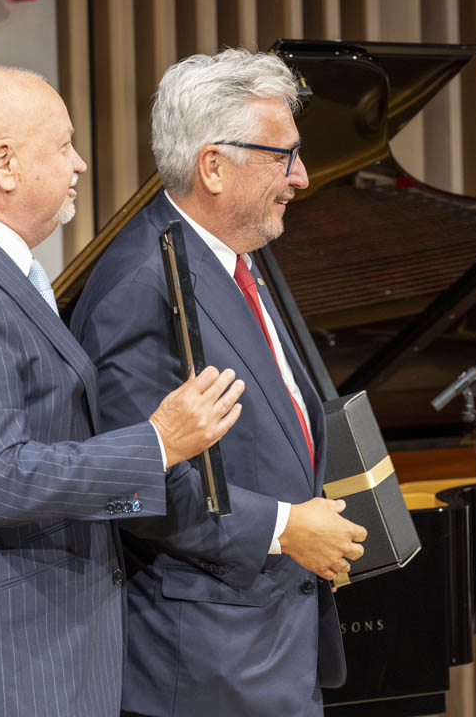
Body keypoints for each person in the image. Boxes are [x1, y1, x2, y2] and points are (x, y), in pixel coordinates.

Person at [0, 66, 245, 717]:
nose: (80, 163)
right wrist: (158, 444)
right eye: (63, 145)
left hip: (23, 651)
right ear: (5, 164)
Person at [71, 49, 367, 716]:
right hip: (206, 669)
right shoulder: (140, 285)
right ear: (213, 165)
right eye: (284, 156)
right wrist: (286, 527)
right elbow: (136, 485)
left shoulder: (235, 258)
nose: (302, 177)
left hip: (266, 650)